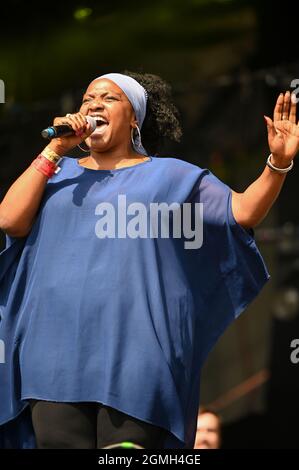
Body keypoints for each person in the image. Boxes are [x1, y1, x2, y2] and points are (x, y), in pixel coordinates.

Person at [0, 71, 298, 449]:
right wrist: (54, 151)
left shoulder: (170, 176)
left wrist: (278, 162)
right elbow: (10, 220)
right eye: (88, 98)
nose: (94, 104)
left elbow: (243, 211)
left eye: (109, 98)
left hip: (135, 352)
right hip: (54, 351)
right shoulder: (56, 174)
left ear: (134, 118)